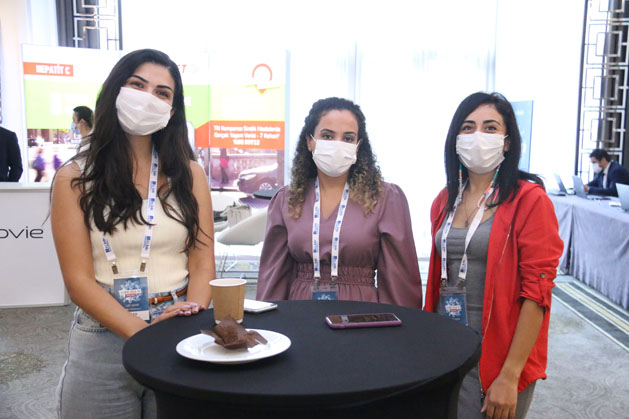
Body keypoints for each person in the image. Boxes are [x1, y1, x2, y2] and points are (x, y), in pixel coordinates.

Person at [50, 49, 215, 418]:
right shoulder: (75, 177)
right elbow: (77, 280)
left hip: (177, 327)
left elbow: (203, 263)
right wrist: (145, 337)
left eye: (162, 92)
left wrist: (191, 319)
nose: (148, 98)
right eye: (137, 85)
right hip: (102, 335)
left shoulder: (190, 175)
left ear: (172, 110)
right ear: (115, 91)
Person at [424, 92, 563, 419]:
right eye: (468, 128)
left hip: (498, 353)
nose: (477, 137)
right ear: (456, 139)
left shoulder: (530, 200)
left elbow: (537, 293)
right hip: (447, 345)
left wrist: (511, 375)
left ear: (507, 142)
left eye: (490, 128)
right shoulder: (445, 199)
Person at [256, 97, 422, 308]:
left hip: (361, 314)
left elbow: (400, 281)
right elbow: (273, 278)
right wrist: (269, 322)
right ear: (310, 141)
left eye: (348, 138)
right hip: (300, 313)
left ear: (358, 146)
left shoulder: (385, 198)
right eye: (327, 136)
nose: (337, 145)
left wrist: (401, 325)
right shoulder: (287, 200)